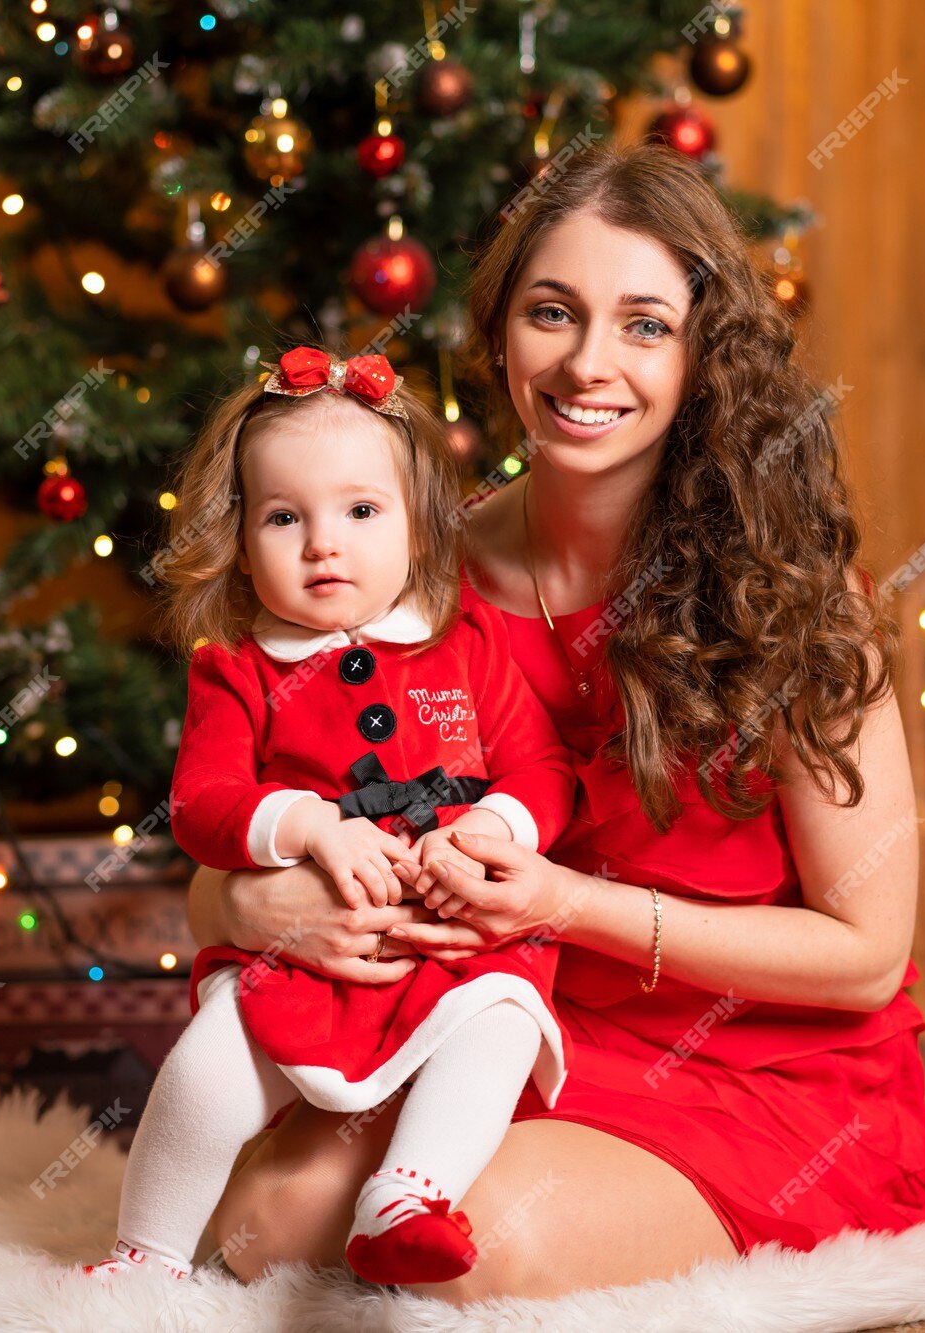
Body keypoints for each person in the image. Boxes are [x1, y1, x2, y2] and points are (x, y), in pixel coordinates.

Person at [190, 141, 925, 1304]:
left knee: (477, 1244)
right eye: (552, 311)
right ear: (499, 331)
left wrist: (561, 903)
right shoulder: (410, 579)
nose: (588, 361)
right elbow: (232, 816)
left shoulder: (792, 595)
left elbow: (864, 958)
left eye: (644, 323)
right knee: (258, 1223)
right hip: (482, 1029)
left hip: (757, 1069)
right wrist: (253, 901)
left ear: (703, 357)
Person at [79, 343, 579, 1287]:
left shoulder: (463, 641)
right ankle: (142, 1256)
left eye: (360, 511)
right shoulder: (236, 664)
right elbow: (202, 805)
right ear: (240, 537)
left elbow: (544, 769)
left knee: (506, 1020)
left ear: (421, 531)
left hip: (454, 941)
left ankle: (407, 1196)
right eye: (283, 517)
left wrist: (495, 828)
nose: (323, 543)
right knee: (208, 1068)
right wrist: (307, 826)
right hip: (296, 953)